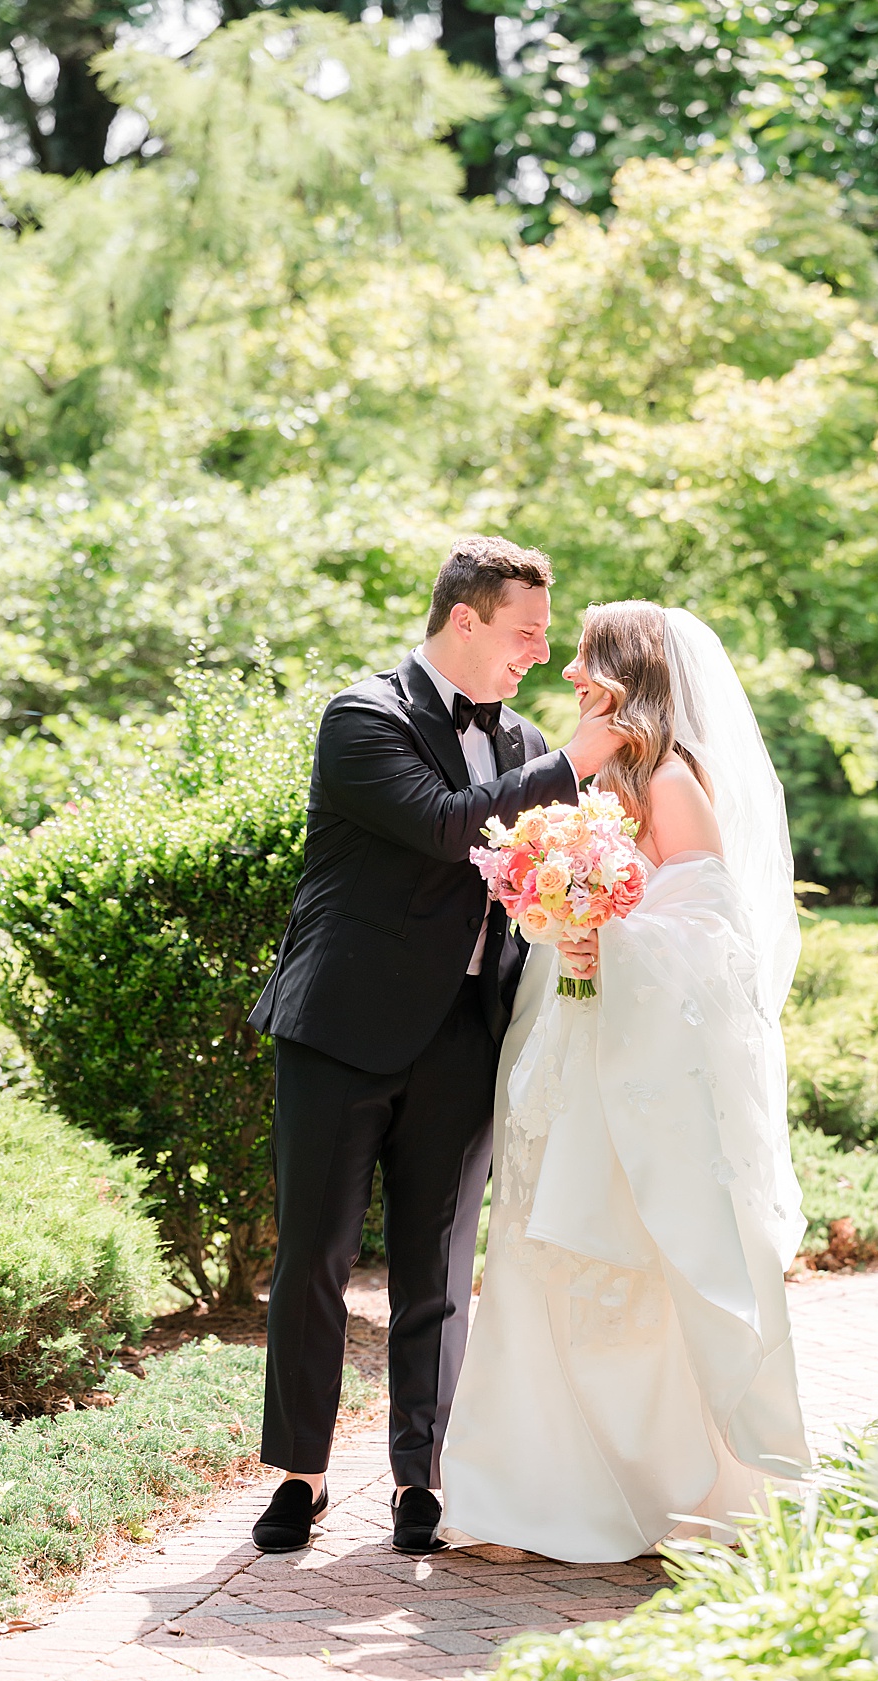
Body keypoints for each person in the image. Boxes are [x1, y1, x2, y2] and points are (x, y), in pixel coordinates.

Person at [245, 537, 621, 1556]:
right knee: (316, 1260)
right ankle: (301, 1475)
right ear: (466, 619)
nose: (539, 654)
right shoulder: (362, 715)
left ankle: (423, 1478)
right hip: (339, 1031)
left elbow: (537, 871)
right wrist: (574, 765)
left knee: (438, 1269)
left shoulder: (524, 741)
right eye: (526, 632)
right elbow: (445, 826)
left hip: (463, 1034)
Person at [439, 602, 810, 1562]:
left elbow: (713, 931)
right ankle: (525, 1492)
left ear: (629, 671)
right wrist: (552, 911)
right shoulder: (592, 771)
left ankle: (668, 1492)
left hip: (635, 1064)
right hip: (567, 1040)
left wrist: (612, 937)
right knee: (534, 1253)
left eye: (586, 658)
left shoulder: (673, 777)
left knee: (629, 1258)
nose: (567, 673)